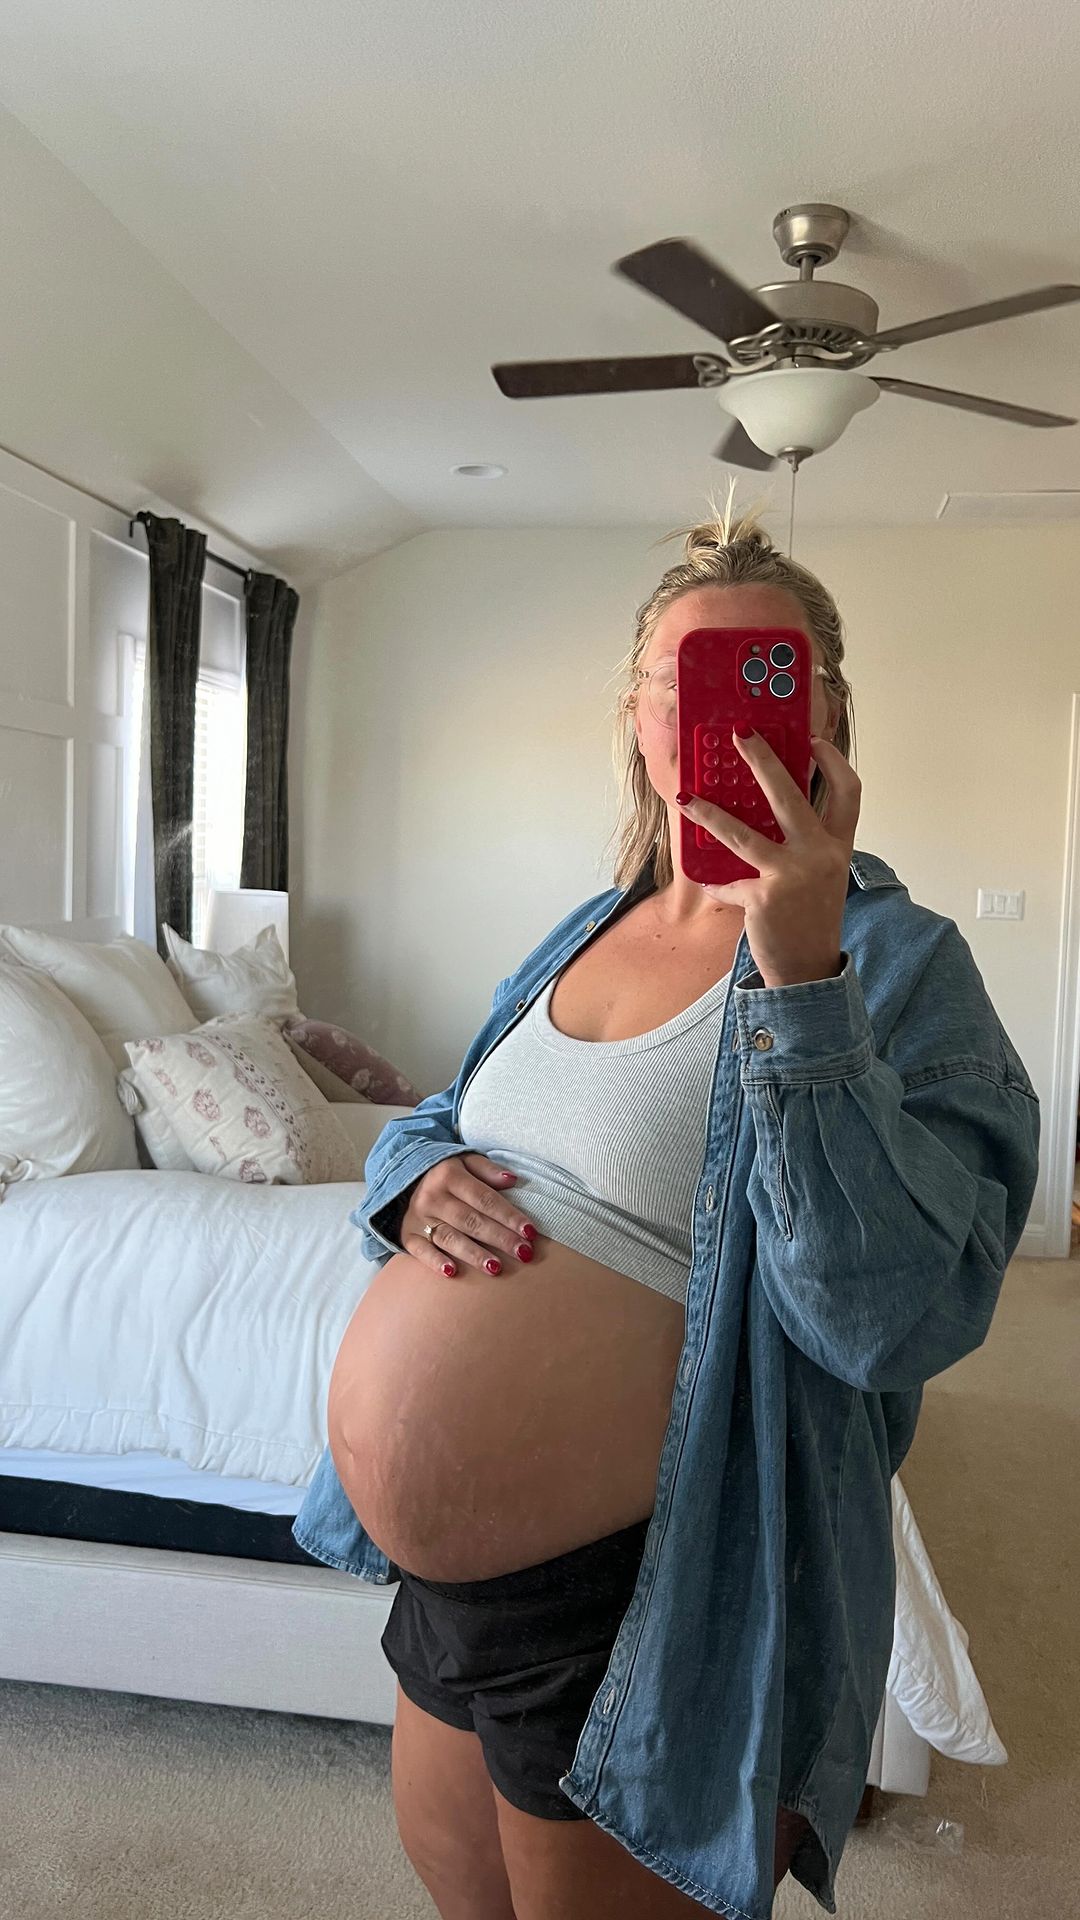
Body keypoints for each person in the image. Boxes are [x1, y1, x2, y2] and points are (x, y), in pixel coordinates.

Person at [293, 487, 1040, 1920]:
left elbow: (892, 1318)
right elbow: (449, 1114)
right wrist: (410, 1178)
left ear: (829, 716)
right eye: (685, 678)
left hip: (655, 1591)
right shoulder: (590, 924)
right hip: (449, 1599)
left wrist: (802, 981)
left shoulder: (899, 964)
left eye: (770, 675)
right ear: (638, 719)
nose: (725, 711)